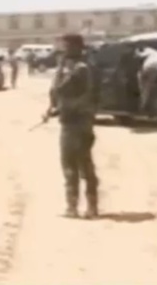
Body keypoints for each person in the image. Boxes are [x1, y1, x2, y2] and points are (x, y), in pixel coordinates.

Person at [42, 33, 99, 219]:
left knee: (80, 164)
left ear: (76, 47)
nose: (63, 49)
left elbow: (65, 90)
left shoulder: (81, 68)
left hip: (79, 121)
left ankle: (88, 206)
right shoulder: (69, 66)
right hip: (70, 120)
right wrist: (53, 108)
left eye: (66, 46)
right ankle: (73, 206)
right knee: (72, 164)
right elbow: (59, 93)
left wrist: (58, 105)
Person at [135, 45, 157, 112]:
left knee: (144, 89)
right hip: (156, 71)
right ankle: (145, 105)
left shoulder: (149, 50)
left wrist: (136, 52)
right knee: (147, 88)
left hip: (149, 71)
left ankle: (143, 106)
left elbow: (140, 55)